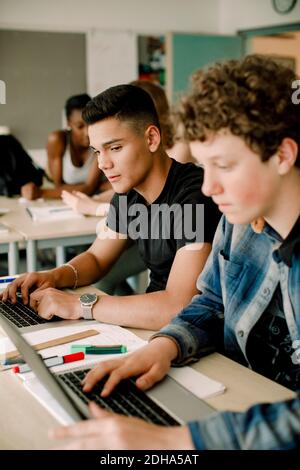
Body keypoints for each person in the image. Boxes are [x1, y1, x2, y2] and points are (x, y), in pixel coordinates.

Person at [48, 55, 300, 450]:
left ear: (283, 155)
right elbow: (211, 302)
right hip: (236, 399)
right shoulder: (239, 223)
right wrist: (165, 347)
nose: (209, 186)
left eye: (223, 165)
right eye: (203, 165)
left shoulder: (211, 203)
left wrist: (179, 441)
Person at [1, 84, 220, 330]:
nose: (104, 163)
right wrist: (54, 276)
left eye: (115, 148)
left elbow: (178, 305)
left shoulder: (193, 195)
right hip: (151, 327)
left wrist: (79, 305)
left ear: (151, 138)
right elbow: (96, 258)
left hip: (193, 335)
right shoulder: (128, 194)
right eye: (97, 151)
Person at [62, 80, 192, 216]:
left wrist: (96, 208)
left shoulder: (179, 161)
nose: (102, 165)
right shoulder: (132, 186)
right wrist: (96, 199)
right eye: (97, 151)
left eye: (116, 148)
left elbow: (161, 204)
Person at [21, 93, 113, 201]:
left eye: (90, 123)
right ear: (69, 124)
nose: (87, 132)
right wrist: (97, 186)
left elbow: (89, 188)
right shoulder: (57, 140)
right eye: (80, 126)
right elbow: (58, 186)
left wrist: (41, 192)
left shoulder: (99, 140)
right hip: (69, 197)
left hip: (89, 196)